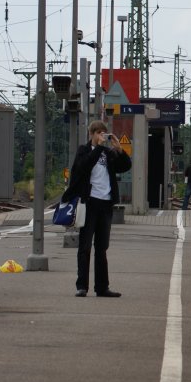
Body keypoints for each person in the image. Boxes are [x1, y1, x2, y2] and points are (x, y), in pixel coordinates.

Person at [63, 120, 132, 298]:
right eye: (99, 133)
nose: (102, 136)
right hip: (89, 203)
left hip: (106, 203)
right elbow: (83, 167)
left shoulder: (108, 153)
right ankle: (82, 286)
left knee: (102, 247)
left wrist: (119, 149)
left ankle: (102, 287)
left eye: (104, 133)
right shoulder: (84, 150)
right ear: (92, 134)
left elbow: (125, 166)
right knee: (85, 246)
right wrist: (99, 147)